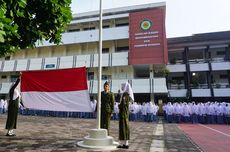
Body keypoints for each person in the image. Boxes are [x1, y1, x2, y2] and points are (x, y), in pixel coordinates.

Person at [117, 82, 134, 149]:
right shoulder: (126, 95)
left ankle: (124, 144)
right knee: (123, 128)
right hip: (124, 114)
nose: (122, 87)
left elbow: (123, 105)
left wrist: (119, 105)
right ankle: (124, 143)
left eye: (122, 86)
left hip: (123, 114)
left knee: (124, 128)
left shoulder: (125, 95)